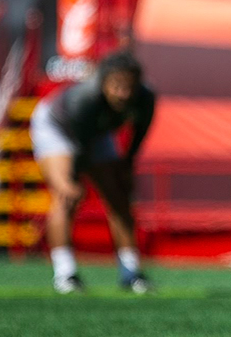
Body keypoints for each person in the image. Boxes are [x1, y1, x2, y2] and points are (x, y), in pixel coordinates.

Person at [30, 51, 155, 295]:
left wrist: (126, 167)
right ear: (103, 82)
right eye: (117, 86)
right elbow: (79, 147)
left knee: (118, 197)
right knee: (66, 194)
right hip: (58, 128)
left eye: (129, 87)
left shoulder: (146, 98)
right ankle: (65, 273)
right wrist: (70, 180)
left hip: (96, 133)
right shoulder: (84, 99)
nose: (124, 94)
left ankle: (131, 273)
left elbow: (139, 134)